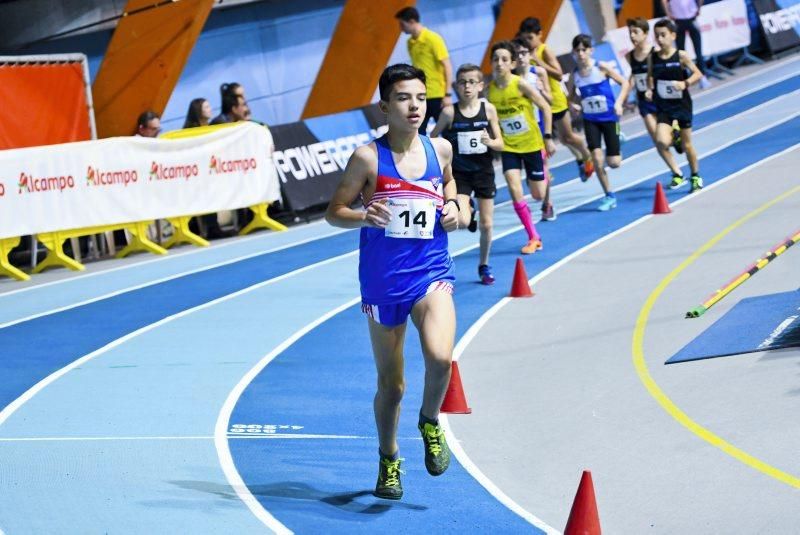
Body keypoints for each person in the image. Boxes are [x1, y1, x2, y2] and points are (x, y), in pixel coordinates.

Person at [324, 64, 466, 500]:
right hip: (384, 283)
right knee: (393, 385)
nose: (415, 106)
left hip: (430, 273)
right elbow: (334, 211)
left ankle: (429, 420)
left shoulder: (439, 148)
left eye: (421, 98)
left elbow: (450, 186)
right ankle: (389, 458)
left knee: (441, 359)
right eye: (404, 98)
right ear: (385, 105)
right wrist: (365, 215)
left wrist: (457, 207)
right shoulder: (368, 158)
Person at [431, 63, 504, 285]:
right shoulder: (449, 112)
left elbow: (500, 143)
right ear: (455, 86)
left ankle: (484, 265)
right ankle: (468, 210)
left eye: (472, 82)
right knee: (462, 221)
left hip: (483, 172)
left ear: (480, 86)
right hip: (460, 175)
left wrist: (489, 141)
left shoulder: (488, 109)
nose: (467, 87)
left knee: (487, 225)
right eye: (462, 83)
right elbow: (432, 140)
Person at [487, 41, 556, 255]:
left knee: (537, 194)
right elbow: (493, 120)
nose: (500, 63)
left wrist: (548, 137)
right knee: (513, 186)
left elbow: (545, 107)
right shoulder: (490, 92)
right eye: (496, 59)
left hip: (532, 144)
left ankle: (544, 175)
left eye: (505, 59)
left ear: (512, 63)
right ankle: (533, 236)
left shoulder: (520, 84)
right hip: (510, 148)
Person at [517, 17, 594, 182]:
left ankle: (588, 157)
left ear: (540, 34)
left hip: (554, 100)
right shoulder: (523, 54)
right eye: (525, 39)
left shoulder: (544, 50)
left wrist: (538, 61)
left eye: (530, 38)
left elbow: (559, 74)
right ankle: (577, 161)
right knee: (556, 139)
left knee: (568, 137)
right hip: (538, 105)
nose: (528, 42)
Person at [568, 34, 629, 211]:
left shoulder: (601, 67)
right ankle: (609, 195)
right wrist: (574, 105)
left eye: (584, 50)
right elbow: (569, 97)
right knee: (596, 158)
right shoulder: (575, 75)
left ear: (591, 50)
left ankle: (618, 138)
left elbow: (624, 83)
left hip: (609, 117)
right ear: (573, 52)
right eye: (577, 50)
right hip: (591, 120)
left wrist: (618, 103)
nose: (580, 53)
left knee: (614, 163)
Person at [618, 18, 685, 168]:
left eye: (636, 32)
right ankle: (676, 172)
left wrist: (653, 87)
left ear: (646, 34)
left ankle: (676, 137)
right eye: (630, 33)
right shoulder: (629, 56)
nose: (632, 36)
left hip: (660, 98)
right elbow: (633, 76)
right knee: (656, 139)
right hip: (643, 101)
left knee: (664, 137)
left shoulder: (655, 53)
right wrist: (624, 96)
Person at [647, 18, 704, 193]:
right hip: (664, 106)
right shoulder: (653, 57)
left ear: (672, 35)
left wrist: (685, 83)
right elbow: (650, 76)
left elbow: (698, 74)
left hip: (682, 105)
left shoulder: (681, 56)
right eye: (657, 36)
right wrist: (649, 89)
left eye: (663, 35)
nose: (660, 39)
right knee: (661, 141)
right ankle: (675, 137)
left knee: (687, 145)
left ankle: (695, 175)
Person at [512, 37, 556, 221]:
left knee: (543, 168)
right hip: (518, 132)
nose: (521, 57)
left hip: (537, 127)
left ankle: (548, 203)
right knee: (530, 179)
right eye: (518, 54)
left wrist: (541, 90)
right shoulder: (511, 78)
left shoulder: (538, 73)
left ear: (530, 55)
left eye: (524, 53)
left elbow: (550, 101)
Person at [395, 6, 453, 135]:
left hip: (438, 96)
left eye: (402, 24)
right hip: (420, 96)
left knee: (448, 133)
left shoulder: (433, 38)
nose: (401, 28)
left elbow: (447, 66)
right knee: (418, 133)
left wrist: (447, 94)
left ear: (411, 21)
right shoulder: (410, 43)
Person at [661, 0, 711, 89]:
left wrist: (668, 13)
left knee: (693, 52)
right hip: (683, 20)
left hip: (687, 19)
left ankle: (699, 77)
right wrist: (698, 8)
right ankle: (693, 78)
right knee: (683, 54)